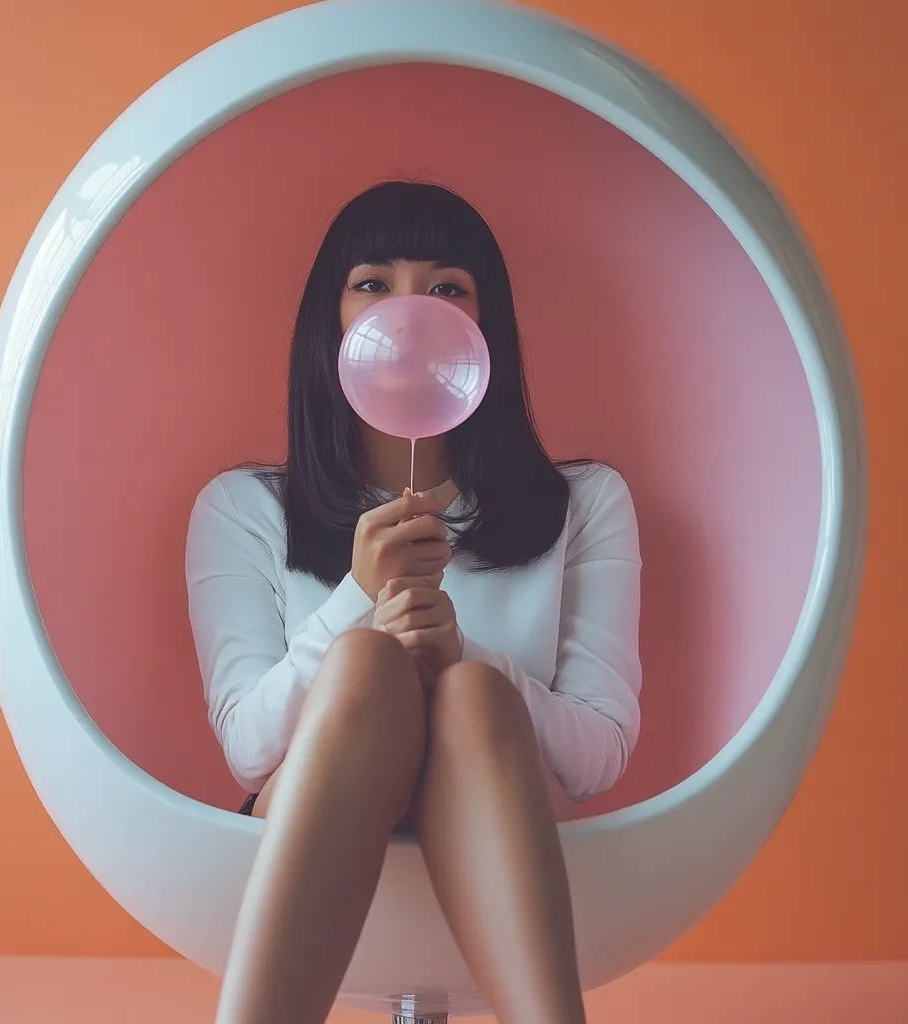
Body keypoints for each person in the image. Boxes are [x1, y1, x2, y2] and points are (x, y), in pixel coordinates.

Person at [186, 181, 642, 1024]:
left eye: (445, 288)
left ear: (484, 326)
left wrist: (464, 655)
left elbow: (598, 753)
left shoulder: (586, 502)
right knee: (365, 663)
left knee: (470, 696)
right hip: (309, 837)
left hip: (512, 833)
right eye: (372, 283)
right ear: (331, 321)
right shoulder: (243, 509)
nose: (409, 312)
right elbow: (249, 752)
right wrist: (358, 598)